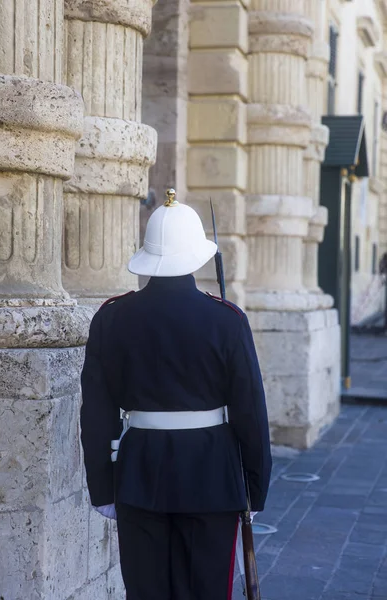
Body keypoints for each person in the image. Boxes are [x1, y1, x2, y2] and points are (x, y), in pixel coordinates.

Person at [80, 189, 272, 600]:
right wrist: (255, 488)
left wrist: (102, 486)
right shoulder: (227, 320)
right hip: (213, 479)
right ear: (196, 256)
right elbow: (250, 414)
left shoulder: (112, 318)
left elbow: (96, 414)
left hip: (137, 477)